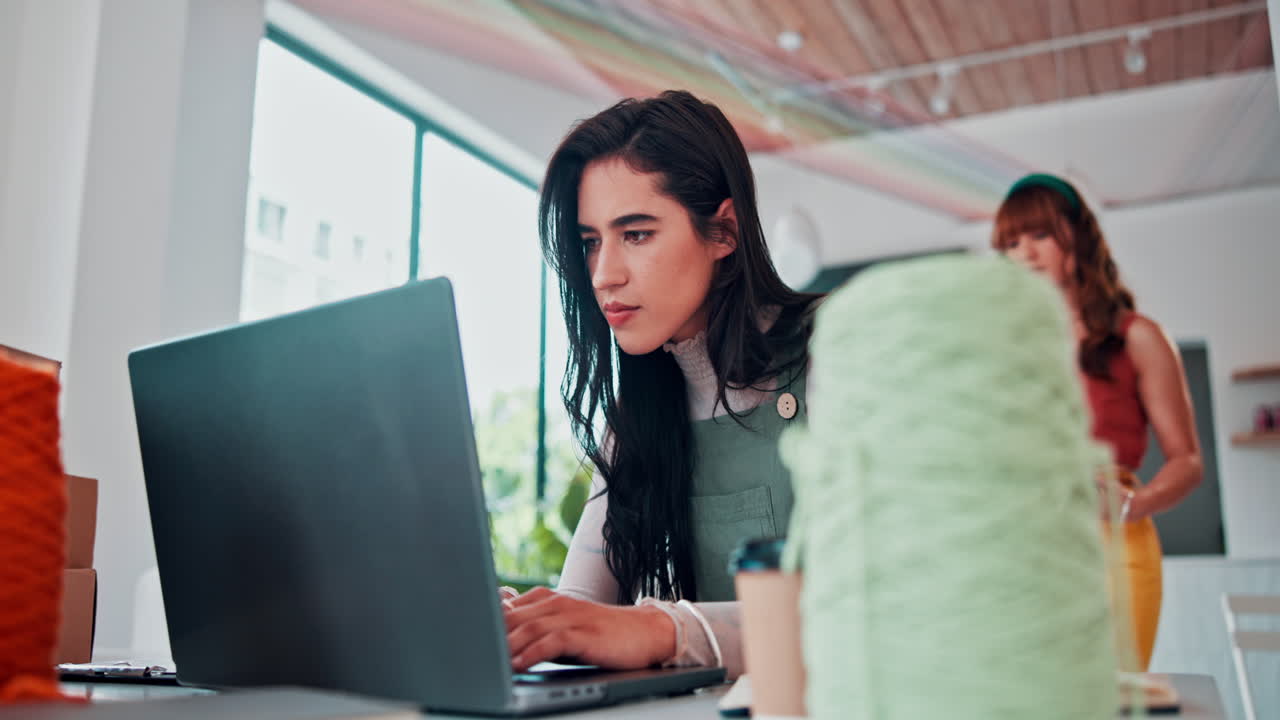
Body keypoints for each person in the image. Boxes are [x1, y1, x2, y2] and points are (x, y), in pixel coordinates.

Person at [502, 91, 821, 679]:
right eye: (591, 240)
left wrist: (659, 629)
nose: (604, 275)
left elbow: (869, 612)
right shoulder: (641, 411)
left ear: (723, 232)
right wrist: (523, 627)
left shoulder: (836, 354)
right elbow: (582, 605)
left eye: (638, 234)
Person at [993, 173, 1203, 670]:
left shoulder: (1138, 338)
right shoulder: (1005, 350)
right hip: (1028, 545)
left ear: (1077, 238)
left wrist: (1140, 503)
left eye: (1039, 234)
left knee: (1110, 697)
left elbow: (1187, 460)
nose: (1024, 253)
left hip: (1115, 541)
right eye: (1010, 243)